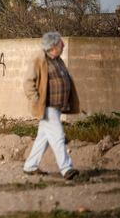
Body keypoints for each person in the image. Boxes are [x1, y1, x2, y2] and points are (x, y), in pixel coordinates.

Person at [23, 32, 80, 180]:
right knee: (58, 136)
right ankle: (66, 168)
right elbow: (28, 82)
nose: (64, 45)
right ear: (54, 46)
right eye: (61, 43)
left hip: (57, 106)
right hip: (47, 107)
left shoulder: (57, 59)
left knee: (43, 138)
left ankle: (30, 166)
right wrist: (36, 100)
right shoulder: (39, 60)